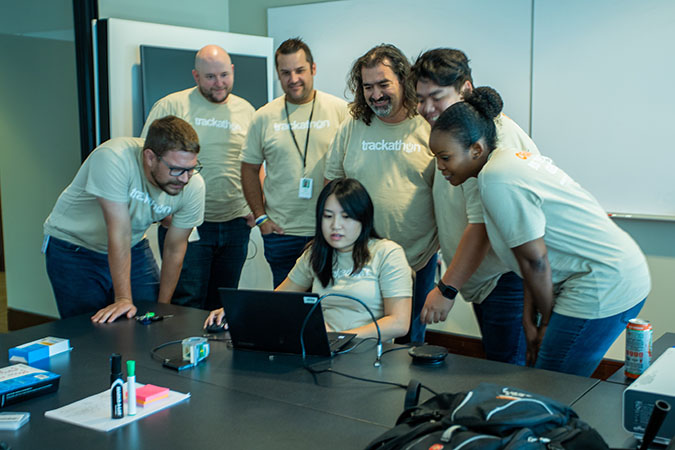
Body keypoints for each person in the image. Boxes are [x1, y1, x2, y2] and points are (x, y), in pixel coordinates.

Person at [429, 86, 651, 376]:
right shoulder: (505, 163)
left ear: (476, 150)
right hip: (612, 273)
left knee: (552, 382)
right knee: (546, 377)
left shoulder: (497, 179)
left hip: (604, 282)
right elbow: (526, 261)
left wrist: (544, 324)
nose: (440, 167)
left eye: (445, 157)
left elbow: (535, 261)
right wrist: (528, 321)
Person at [413, 48, 539, 365]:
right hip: (485, 280)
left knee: (508, 372)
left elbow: (482, 226)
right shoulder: (456, 131)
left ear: (466, 90)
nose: (426, 109)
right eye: (420, 98)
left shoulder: (486, 140)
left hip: (505, 278)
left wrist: (446, 289)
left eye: (437, 97)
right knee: (500, 363)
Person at [205, 178, 412, 341]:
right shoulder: (316, 252)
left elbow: (399, 323)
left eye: (346, 217)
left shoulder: (387, 253)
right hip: (319, 348)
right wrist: (236, 310)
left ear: (363, 218)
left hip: (364, 350)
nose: (335, 225)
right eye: (328, 216)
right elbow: (278, 298)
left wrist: (341, 338)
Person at [324, 44, 437, 343]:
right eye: (367, 86)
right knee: (356, 339)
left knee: (407, 342)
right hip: (358, 258)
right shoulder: (353, 124)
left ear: (404, 80)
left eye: (384, 84)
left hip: (417, 258)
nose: (375, 95)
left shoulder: (427, 123)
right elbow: (332, 183)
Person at [44, 116, 206, 323]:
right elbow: (119, 231)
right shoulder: (113, 158)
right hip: (74, 248)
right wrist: (123, 299)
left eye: (191, 169)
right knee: (89, 328)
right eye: (176, 169)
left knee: (148, 316)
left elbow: (175, 248)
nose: (184, 178)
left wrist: (162, 306)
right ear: (150, 157)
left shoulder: (194, 185)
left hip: (133, 246)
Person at [141, 45, 255, 311]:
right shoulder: (171, 106)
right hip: (186, 223)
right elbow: (146, 161)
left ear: (233, 71)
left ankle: (218, 354)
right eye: (210, 77)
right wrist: (163, 213)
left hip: (235, 223)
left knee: (223, 305)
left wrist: (254, 205)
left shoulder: (247, 110)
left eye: (224, 75)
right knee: (186, 303)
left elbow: (253, 163)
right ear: (195, 76)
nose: (219, 83)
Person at [241, 38, 348, 288]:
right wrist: (260, 218)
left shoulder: (341, 111)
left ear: (313, 69)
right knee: (287, 308)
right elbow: (248, 169)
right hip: (281, 233)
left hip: (330, 230)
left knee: (329, 305)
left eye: (300, 70)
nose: (293, 78)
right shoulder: (263, 117)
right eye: (285, 72)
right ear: (278, 74)